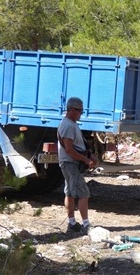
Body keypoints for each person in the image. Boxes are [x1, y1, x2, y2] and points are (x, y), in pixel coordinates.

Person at [58, 97, 98, 234]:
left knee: (69, 192)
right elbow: (69, 149)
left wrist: (89, 155)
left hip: (69, 162)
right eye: (80, 111)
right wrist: (86, 160)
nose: (82, 113)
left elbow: (77, 145)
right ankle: (85, 224)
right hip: (71, 163)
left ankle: (72, 223)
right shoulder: (68, 125)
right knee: (83, 193)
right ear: (72, 110)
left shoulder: (70, 124)